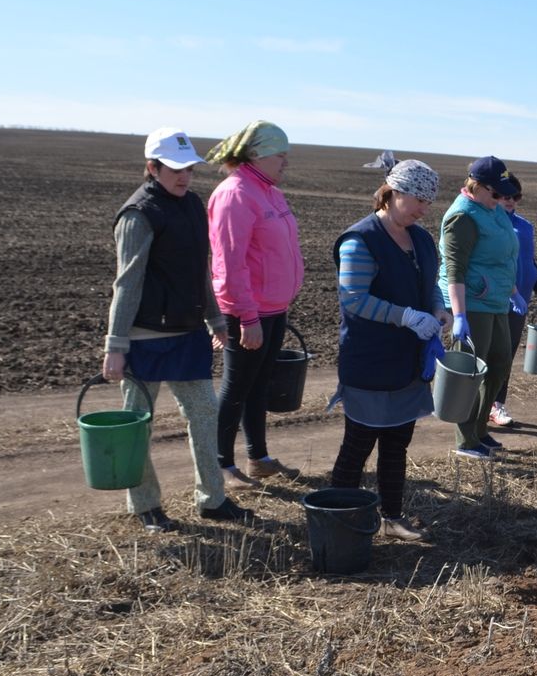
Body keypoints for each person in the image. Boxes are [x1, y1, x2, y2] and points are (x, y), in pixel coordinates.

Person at [102, 128, 255, 532]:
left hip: (187, 335)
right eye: (174, 168)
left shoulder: (191, 205)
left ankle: (213, 499)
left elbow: (198, 269)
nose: (184, 175)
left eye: (188, 168)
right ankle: (146, 506)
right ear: (152, 168)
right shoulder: (138, 214)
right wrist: (116, 345)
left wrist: (216, 319)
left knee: (205, 416)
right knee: (139, 425)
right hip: (143, 338)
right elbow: (127, 282)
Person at [328, 159, 451, 541]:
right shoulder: (361, 240)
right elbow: (354, 299)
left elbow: (429, 281)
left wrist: (437, 308)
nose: (423, 209)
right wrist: (406, 317)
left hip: (407, 363)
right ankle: (339, 519)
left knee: (398, 441)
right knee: (359, 443)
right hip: (370, 360)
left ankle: (392, 517)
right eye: (417, 199)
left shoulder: (421, 238)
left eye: (428, 203)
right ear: (393, 192)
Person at [206, 121, 305, 488]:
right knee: (237, 387)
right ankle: (220, 464)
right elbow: (227, 265)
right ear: (257, 154)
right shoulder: (235, 194)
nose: (286, 162)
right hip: (248, 312)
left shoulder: (269, 192)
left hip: (273, 308)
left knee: (259, 385)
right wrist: (246, 316)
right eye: (281, 155)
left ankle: (258, 458)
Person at [438, 155, 519, 458]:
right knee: (472, 370)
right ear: (478, 187)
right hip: (472, 302)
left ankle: (479, 430)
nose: (501, 199)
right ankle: (465, 439)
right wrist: (459, 315)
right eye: (496, 193)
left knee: (499, 365)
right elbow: (455, 269)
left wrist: (512, 290)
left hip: (496, 300)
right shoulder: (462, 216)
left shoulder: (492, 208)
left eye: (504, 194)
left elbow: (503, 254)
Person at [489, 173, 537, 427]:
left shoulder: (525, 227)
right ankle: (475, 404)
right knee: (487, 352)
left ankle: (497, 405)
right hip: (493, 299)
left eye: (515, 196)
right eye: (506, 195)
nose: (510, 201)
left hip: (520, 301)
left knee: (506, 355)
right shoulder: (490, 224)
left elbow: (528, 263)